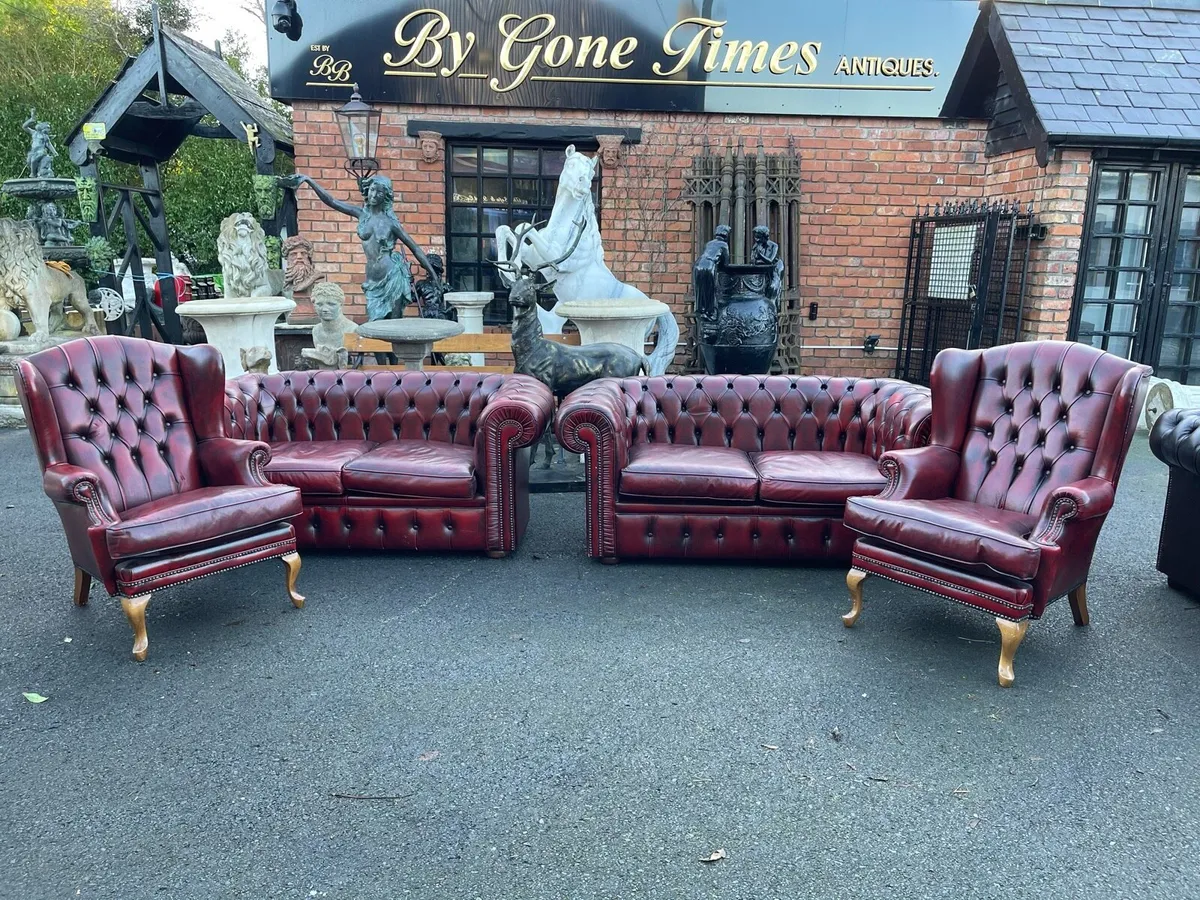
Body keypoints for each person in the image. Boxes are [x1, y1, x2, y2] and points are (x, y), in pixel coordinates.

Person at [283, 173, 439, 321]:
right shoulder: (361, 214)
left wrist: (433, 275)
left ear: (385, 196)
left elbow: (415, 248)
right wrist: (308, 180)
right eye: (372, 190)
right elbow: (332, 201)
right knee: (375, 325)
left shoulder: (391, 222)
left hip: (392, 277)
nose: (373, 195)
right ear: (367, 189)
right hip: (372, 278)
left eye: (379, 192)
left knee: (394, 326)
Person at [693, 224, 731, 320]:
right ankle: (709, 313)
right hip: (708, 265)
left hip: (698, 264)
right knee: (710, 289)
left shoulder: (709, 243)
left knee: (701, 289)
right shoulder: (724, 245)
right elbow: (726, 263)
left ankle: (700, 311)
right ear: (726, 234)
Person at [751, 225, 784, 306]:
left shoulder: (774, 246)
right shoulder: (756, 246)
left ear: (764, 236)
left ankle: (773, 307)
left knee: (773, 287)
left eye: (758, 237)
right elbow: (752, 261)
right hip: (763, 268)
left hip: (775, 267)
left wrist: (760, 255)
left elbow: (770, 261)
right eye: (755, 237)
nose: (756, 240)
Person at [23, 110, 57, 178]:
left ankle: (33, 174)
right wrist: (31, 120)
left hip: (41, 151)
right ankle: (35, 173)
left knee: (34, 160)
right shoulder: (34, 133)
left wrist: (55, 152)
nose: (49, 129)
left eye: (49, 128)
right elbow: (24, 127)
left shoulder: (45, 136)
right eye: (47, 127)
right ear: (42, 128)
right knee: (30, 161)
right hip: (33, 151)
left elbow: (49, 145)